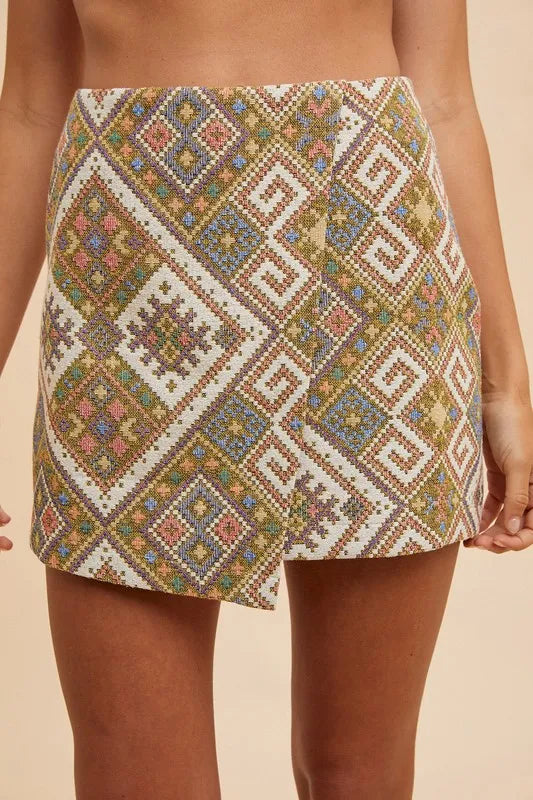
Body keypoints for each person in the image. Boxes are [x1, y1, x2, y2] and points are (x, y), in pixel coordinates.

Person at [1, 0, 532, 797]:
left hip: (371, 271)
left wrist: (504, 385)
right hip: (130, 284)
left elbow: (442, 95)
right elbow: (32, 106)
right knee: (131, 772)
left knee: (356, 773)